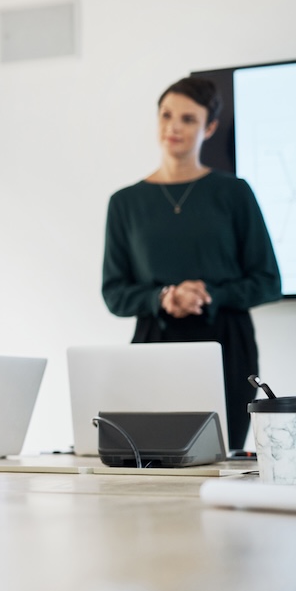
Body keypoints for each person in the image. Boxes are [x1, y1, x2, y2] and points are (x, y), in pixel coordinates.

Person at [102, 76, 281, 450]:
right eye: (166, 115)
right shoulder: (125, 202)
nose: (174, 127)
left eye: (188, 119)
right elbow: (115, 293)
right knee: (153, 457)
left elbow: (267, 281)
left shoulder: (234, 192)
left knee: (222, 458)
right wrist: (164, 298)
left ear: (210, 127)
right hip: (154, 348)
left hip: (227, 348)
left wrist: (208, 294)